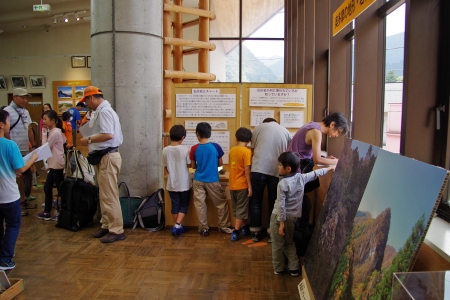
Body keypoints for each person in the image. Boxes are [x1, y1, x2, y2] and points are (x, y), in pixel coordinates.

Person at [271, 152, 334, 277]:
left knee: (277, 244)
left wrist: (281, 223)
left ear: (288, 168)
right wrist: (329, 168)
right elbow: (316, 173)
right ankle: (294, 268)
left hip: (279, 218)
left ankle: (278, 268)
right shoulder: (301, 177)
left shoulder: (282, 184)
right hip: (292, 218)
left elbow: (281, 205)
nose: (278, 167)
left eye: (279, 165)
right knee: (289, 242)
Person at [79, 86, 125, 243]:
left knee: (109, 195)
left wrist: (88, 140)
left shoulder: (104, 111)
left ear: (91, 98)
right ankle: (106, 224)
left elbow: (108, 134)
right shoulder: (100, 111)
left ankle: (116, 229)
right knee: (104, 194)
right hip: (103, 157)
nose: (86, 105)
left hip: (107, 157)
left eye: (86, 101)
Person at [0, 110, 38, 270]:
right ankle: (5, 259)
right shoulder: (10, 145)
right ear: (1, 124)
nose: (9, 124)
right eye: (8, 121)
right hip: (8, 194)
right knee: (13, 225)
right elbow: (21, 169)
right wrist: (34, 158)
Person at [249, 118, 291, 242]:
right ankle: (272, 233)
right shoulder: (285, 131)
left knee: (256, 201)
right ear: (277, 123)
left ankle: (255, 232)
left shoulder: (258, 128)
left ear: (264, 122)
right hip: (277, 170)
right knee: (274, 202)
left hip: (258, 168)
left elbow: (252, 149)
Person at [190, 122, 232, 236]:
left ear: (197, 134)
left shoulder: (194, 148)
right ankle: (223, 226)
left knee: (200, 204)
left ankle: (203, 228)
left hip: (198, 179)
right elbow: (220, 164)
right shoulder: (216, 146)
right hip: (212, 179)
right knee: (221, 203)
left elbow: (193, 166)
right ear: (210, 133)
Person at [4, 88, 38, 217]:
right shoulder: (7, 111)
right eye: (22, 97)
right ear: (14, 97)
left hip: (25, 149)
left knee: (28, 174)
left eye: (26, 97)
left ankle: (25, 198)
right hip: (14, 149)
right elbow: (6, 132)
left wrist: (32, 145)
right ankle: (19, 202)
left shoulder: (25, 112)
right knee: (18, 176)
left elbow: (29, 129)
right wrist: (10, 148)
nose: (25, 100)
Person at [162, 125, 192, 236]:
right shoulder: (185, 149)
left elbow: (166, 167)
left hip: (171, 182)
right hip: (184, 182)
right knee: (184, 204)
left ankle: (178, 226)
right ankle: (177, 225)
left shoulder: (165, 150)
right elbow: (189, 165)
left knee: (175, 205)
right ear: (182, 137)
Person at [37, 110, 66, 221]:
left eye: (45, 119)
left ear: (53, 120)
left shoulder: (55, 132)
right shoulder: (54, 131)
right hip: (53, 164)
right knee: (48, 187)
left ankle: (61, 212)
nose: (43, 121)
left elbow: (45, 147)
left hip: (56, 164)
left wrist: (44, 133)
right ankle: (47, 212)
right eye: (43, 119)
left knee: (59, 189)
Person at [228, 127, 252, 242]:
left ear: (236, 138)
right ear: (249, 140)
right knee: (241, 209)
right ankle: (236, 231)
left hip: (232, 184)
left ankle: (244, 227)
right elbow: (247, 170)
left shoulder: (232, 150)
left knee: (236, 208)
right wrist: (250, 186)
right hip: (242, 184)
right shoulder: (247, 152)